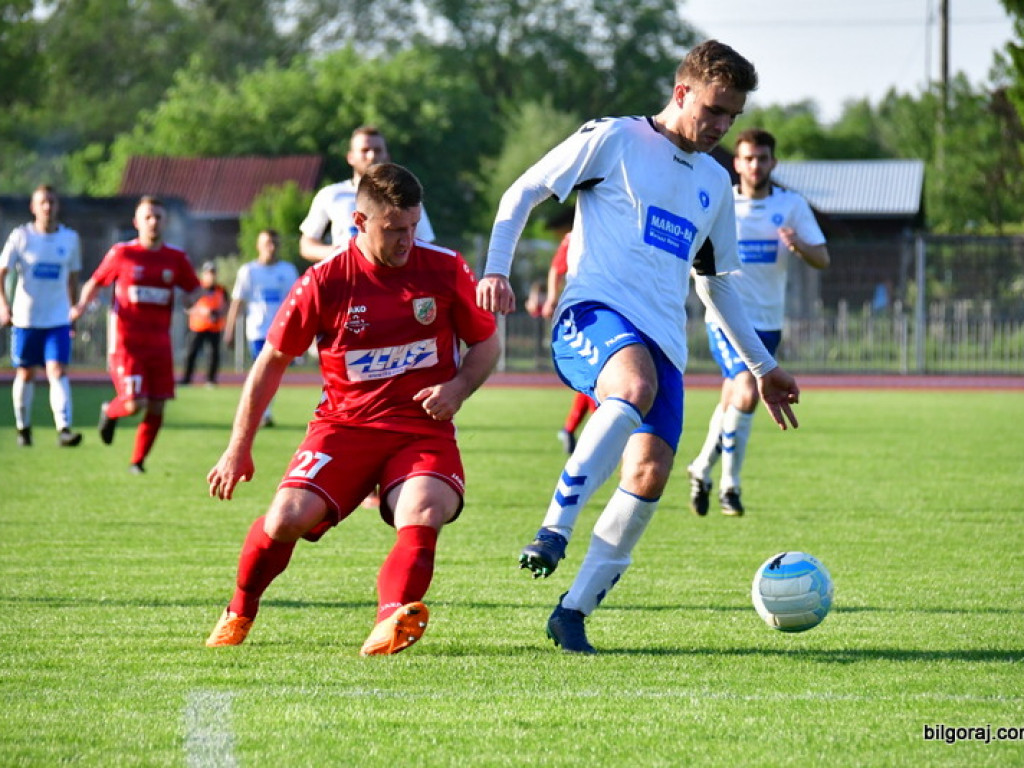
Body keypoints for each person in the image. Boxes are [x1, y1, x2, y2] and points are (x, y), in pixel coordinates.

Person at [476, 40, 801, 654]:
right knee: (633, 386)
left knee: (650, 474)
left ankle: (572, 612)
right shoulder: (616, 138)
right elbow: (520, 193)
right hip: (593, 315)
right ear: (682, 93)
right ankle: (554, 528)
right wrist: (495, 269)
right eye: (714, 110)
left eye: (732, 116)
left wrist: (765, 366)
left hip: (664, 345)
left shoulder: (714, 180)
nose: (722, 127)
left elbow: (715, 287)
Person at [204, 163, 499, 655]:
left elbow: (486, 345)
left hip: (419, 429)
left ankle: (391, 621)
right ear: (359, 223)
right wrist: (239, 448)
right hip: (343, 428)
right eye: (393, 230)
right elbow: (269, 365)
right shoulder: (325, 281)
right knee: (285, 518)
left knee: (424, 508)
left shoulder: (444, 268)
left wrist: (459, 387)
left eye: (412, 227)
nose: (406, 240)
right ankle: (239, 608)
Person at [688, 129, 829, 517]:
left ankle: (701, 467)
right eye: (748, 158)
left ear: (773, 162)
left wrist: (798, 245)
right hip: (725, 319)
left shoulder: (792, 205)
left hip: (768, 323)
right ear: (737, 163)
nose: (755, 165)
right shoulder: (720, 202)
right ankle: (730, 488)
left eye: (762, 158)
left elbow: (823, 259)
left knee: (733, 398)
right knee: (748, 390)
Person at [70, 196, 200, 473]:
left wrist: (192, 301)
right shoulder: (122, 253)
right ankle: (109, 411)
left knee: (157, 406)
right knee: (134, 403)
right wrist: (81, 306)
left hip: (160, 345)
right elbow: (95, 281)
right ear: (137, 222)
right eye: (148, 217)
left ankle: (137, 461)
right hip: (127, 344)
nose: (153, 222)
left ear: (165, 222)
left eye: (158, 217)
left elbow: (193, 289)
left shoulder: (176, 258)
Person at [0, 185, 84, 448]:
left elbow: (73, 278)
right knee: (25, 373)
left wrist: (74, 309)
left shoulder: (69, 239)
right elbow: (1, 272)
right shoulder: (21, 237)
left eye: (52, 202)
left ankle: (64, 429)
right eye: (42, 202)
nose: (47, 207)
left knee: (57, 370)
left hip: (58, 318)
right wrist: (3, 306)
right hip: (26, 319)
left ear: (57, 206)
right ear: (33, 207)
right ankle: (23, 428)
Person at [299, 125, 436, 263]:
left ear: (387, 156)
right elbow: (306, 246)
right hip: (348, 278)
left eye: (377, 150)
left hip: (392, 279)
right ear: (350, 157)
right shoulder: (331, 195)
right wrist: (342, 253)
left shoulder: (405, 195)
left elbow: (425, 245)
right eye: (365, 150)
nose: (372, 156)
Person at [223, 229, 299, 428]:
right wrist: (230, 329)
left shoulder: (288, 270)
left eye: (274, 243)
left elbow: (298, 302)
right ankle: (263, 412)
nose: (271, 248)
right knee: (264, 370)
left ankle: (263, 411)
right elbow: (238, 302)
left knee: (273, 374)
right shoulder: (249, 271)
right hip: (257, 331)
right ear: (258, 246)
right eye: (267, 243)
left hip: (282, 330)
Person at [538, 214, 597, 455]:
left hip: (603, 310)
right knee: (596, 373)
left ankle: (574, 429)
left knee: (594, 375)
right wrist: (552, 298)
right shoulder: (576, 236)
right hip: (585, 311)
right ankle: (598, 430)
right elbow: (556, 268)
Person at [180, 261, 229, 386]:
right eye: (208, 273)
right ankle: (187, 378)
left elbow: (227, 306)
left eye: (213, 273)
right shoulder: (196, 289)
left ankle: (210, 380)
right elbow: (186, 306)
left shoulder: (221, 290)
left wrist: (217, 314)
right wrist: (201, 311)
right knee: (191, 352)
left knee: (213, 354)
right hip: (198, 326)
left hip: (214, 327)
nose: (211, 276)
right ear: (203, 274)